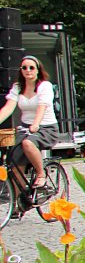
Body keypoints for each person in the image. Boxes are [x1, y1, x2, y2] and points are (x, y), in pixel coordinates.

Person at [0, 54, 60, 205]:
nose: (28, 70)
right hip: (25, 128)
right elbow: (8, 108)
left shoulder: (44, 86)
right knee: (14, 157)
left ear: (38, 70)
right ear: (21, 70)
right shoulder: (18, 87)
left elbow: (42, 107)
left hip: (45, 128)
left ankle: (41, 174)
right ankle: (18, 202)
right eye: (24, 68)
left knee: (28, 144)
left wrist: (36, 124)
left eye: (31, 67)